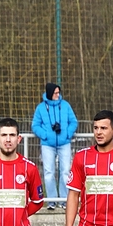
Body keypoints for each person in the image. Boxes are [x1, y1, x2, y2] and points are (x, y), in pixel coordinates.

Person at [32, 82, 78, 210]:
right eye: (55, 93)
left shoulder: (66, 105)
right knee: (49, 172)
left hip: (64, 143)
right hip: (47, 144)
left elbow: (73, 122)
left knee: (65, 172)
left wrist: (67, 134)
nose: (58, 95)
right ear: (50, 93)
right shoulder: (40, 108)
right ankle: (51, 201)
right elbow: (35, 125)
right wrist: (45, 135)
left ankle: (64, 200)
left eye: (58, 92)